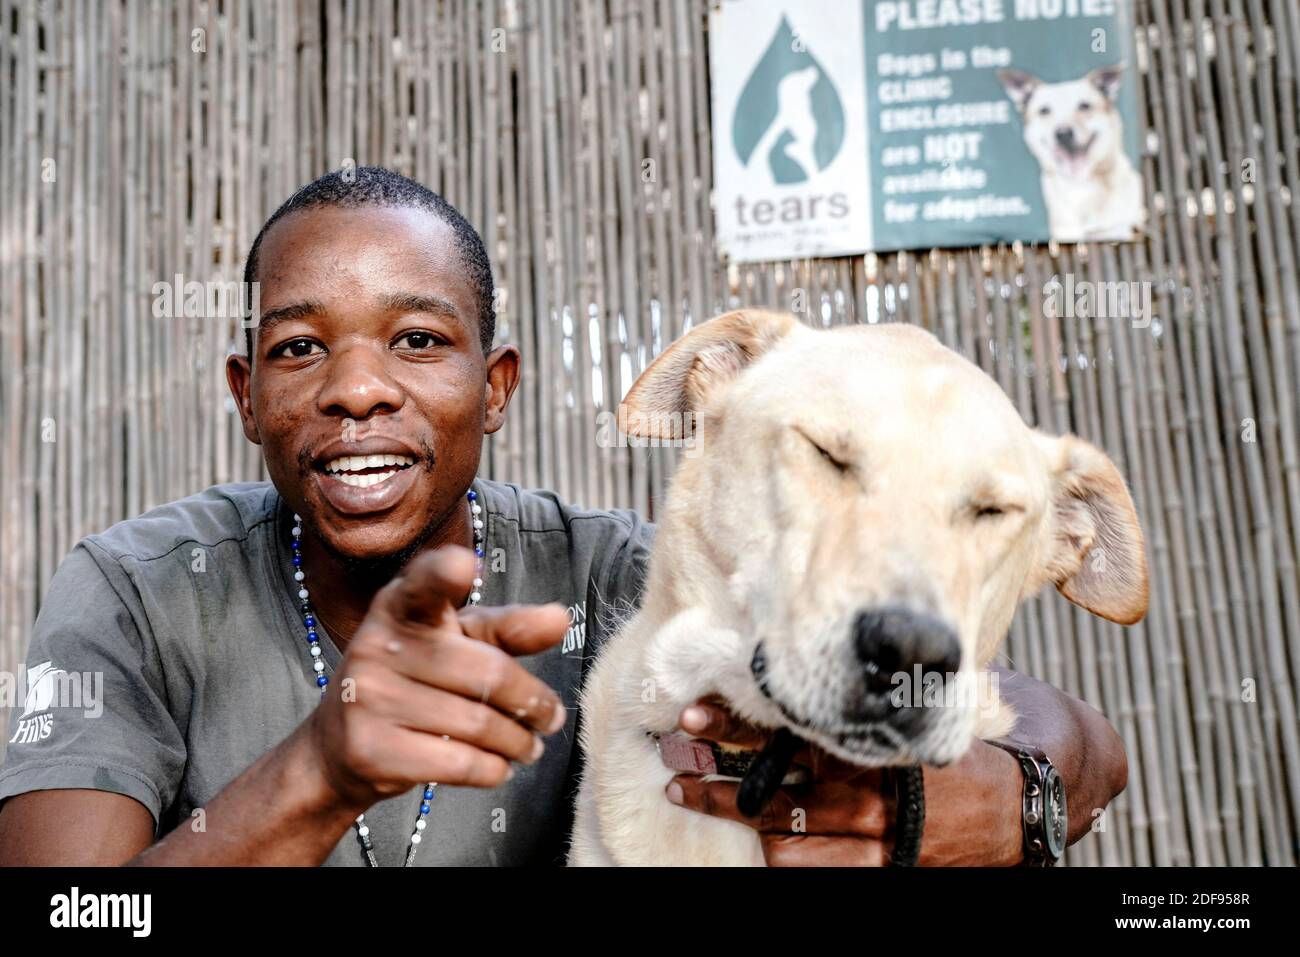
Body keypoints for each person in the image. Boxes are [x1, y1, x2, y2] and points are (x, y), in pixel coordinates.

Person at [0, 167, 1126, 866]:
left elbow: (1076, 740)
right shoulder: (136, 594)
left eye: (418, 340)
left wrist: (1014, 793)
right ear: (247, 397)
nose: (358, 389)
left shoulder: (609, 579)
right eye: (299, 348)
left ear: (495, 387)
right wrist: (317, 773)